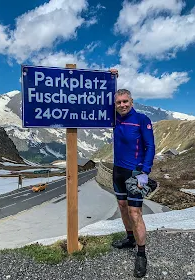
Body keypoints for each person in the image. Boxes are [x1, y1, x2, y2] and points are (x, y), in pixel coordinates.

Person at [109, 70, 155, 278]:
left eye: (125, 101)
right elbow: (96, 99)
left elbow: (150, 147)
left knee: (135, 213)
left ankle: (142, 254)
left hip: (135, 173)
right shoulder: (114, 118)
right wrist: (110, 78)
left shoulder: (141, 119)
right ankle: (129, 238)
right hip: (117, 171)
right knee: (122, 207)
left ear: (131, 101)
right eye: (118, 102)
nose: (122, 105)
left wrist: (144, 173)